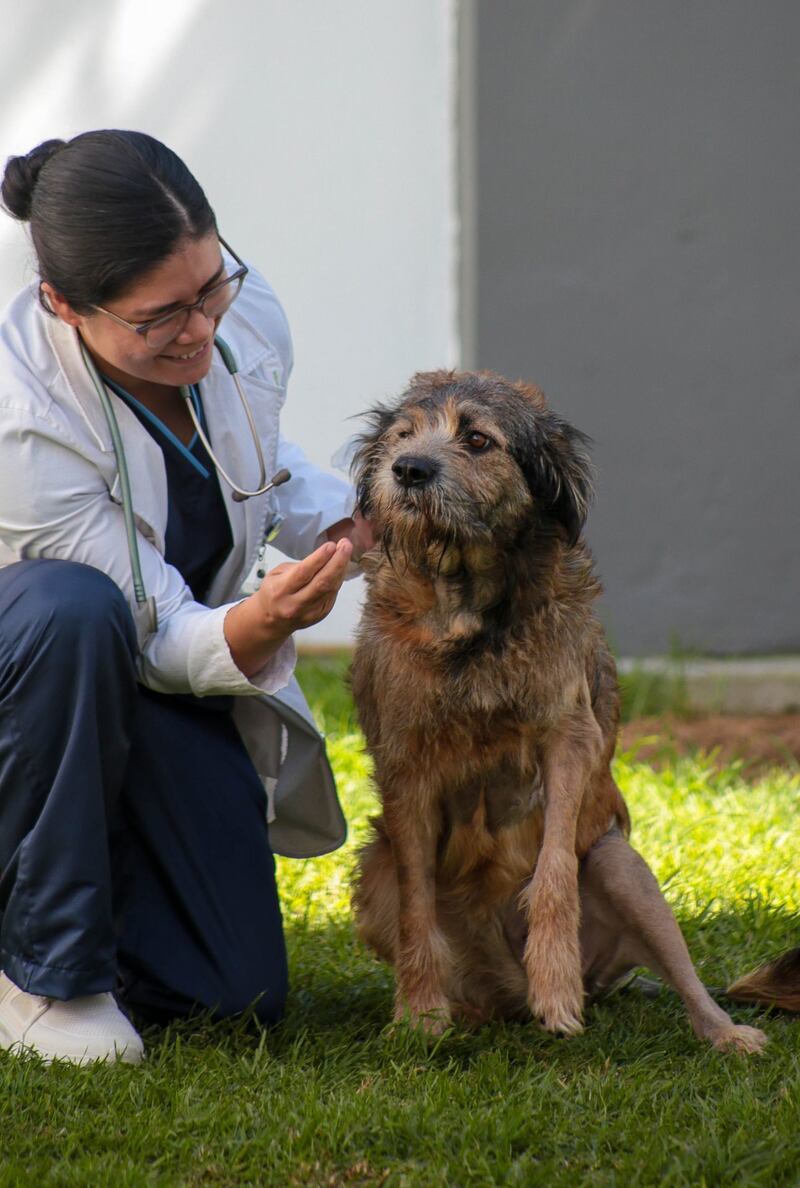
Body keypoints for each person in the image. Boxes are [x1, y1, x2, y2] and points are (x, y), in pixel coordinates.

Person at [0, 130, 371, 1064]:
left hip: (124, 679)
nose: (202, 329)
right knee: (70, 609)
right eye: (162, 315)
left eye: (211, 287)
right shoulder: (22, 423)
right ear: (63, 303)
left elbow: (252, 460)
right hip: (39, 665)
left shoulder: (238, 316)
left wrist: (341, 524)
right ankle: (44, 972)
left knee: (228, 994)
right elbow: (149, 627)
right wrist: (265, 621)